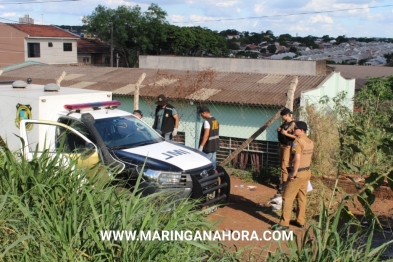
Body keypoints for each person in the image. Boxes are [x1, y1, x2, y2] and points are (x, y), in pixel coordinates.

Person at [272, 121, 314, 230]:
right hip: (307, 173)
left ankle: (284, 223)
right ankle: (300, 220)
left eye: (295, 128)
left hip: (298, 173)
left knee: (287, 197)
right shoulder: (310, 142)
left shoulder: (297, 142)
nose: (293, 130)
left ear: (302, 130)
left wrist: (293, 173)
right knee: (301, 197)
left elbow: (297, 159)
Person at [277, 108, 296, 194]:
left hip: (288, 146)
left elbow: (296, 137)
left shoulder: (293, 124)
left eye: (282, 116)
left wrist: (286, 134)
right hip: (282, 144)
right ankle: (282, 182)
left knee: (285, 164)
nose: (282, 118)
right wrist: (279, 131)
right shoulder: (285, 123)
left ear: (286, 115)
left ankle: (285, 185)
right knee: (281, 164)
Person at [198, 106, 220, 170]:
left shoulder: (207, 122)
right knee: (213, 163)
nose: (201, 115)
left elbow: (206, 135)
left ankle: (207, 178)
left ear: (204, 113)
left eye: (201, 114)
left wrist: (201, 146)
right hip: (214, 145)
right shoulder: (215, 120)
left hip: (208, 146)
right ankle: (214, 177)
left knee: (206, 164)